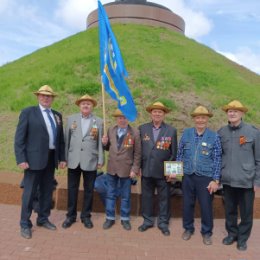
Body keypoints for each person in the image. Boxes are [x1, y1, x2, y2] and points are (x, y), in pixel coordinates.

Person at [14, 85, 66, 239]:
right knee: (29, 193)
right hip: (33, 160)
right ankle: (25, 223)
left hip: (51, 159)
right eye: (43, 95)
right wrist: (21, 158)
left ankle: (43, 218)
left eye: (49, 96)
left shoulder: (57, 115)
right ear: (38, 97)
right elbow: (19, 139)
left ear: (53, 98)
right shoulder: (28, 112)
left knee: (46, 191)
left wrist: (62, 158)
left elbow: (60, 140)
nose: (46, 98)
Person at [218, 100, 260, 251]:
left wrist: (257, 181)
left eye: (236, 111)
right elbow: (218, 156)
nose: (232, 113)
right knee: (229, 211)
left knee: (246, 213)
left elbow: (259, 159)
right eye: (229, 111)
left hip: (246, 181)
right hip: (228, 180)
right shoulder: (221, 132)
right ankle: (232, 234)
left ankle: (242, 239)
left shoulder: (253, 132)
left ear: (242, 113)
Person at [176, 105, 222, 245]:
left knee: (206, 205)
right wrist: (175, 173)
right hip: (188, 176)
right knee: (187, 204)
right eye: (198, 117)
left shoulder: (214, 136)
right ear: (194, 119)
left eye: (203, 117)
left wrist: (215, 180)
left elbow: (217, 159)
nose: (200, 120)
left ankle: (207, 232)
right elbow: (180, 154)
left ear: (207, 119)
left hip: (205, 178)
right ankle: (188, 229)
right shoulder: (186, 133)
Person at [62, 94, 104, 229]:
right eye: (83, 103)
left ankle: (86, 216)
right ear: (79, 106)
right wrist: (64, 158)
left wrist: (101, 159)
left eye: (88, 103)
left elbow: (100, 143)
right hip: (73, 160)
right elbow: (66, 140)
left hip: (90, 160)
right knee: (72, 189)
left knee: (89, 190)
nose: (86, 105)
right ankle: (71, 216)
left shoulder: (99, 121)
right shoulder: (71, 119)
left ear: (92, 106)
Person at [138, 101, 177, 236]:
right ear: (151, 113)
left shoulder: (171, 130)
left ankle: (163, 223)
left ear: (164, 114)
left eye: (160, 112)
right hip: (146, 170)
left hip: (163, 172)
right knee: (147, 197)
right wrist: (138, 167)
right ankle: (147, 221)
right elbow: (138, 151)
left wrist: (171, 172)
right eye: (155, 111)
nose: (157, 114)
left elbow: (174, 153)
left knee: (164, 198)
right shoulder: (142, 129)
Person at [101, 109, 141, 230]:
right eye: (119, 118)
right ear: (116, 119)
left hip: (126, 169)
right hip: (112, 167)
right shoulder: (111, 130)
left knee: (125, 196)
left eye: (124, 117)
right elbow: (108, 147)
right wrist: (104, 143)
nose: (122, 120)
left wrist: (134, 169)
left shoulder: (134, 132)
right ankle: (110, 218)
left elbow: (138, 153)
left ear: (127, 118)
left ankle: (125, 219)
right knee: (110, 194)